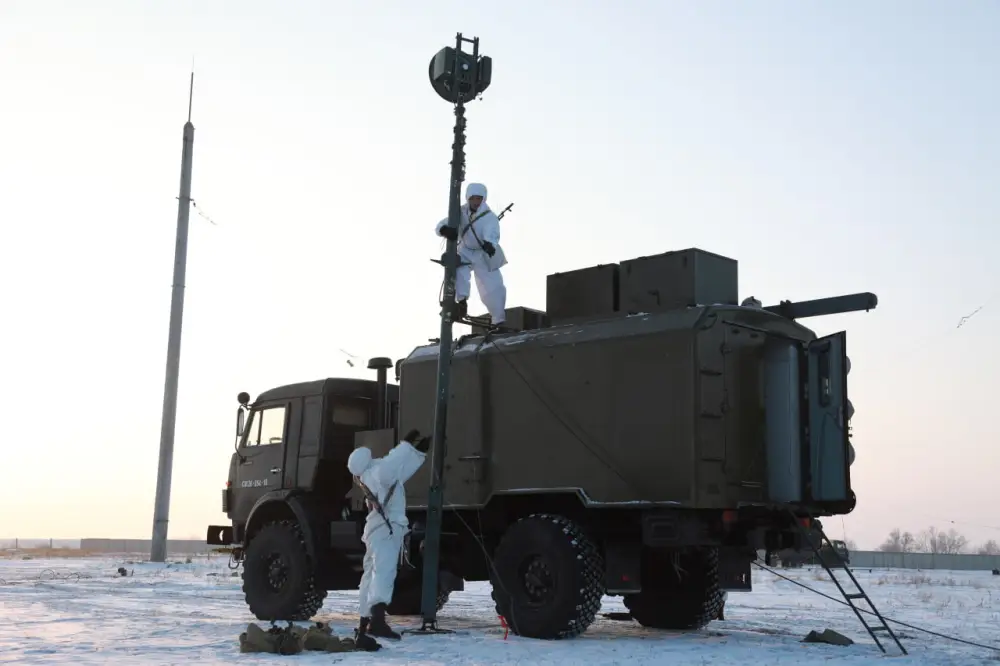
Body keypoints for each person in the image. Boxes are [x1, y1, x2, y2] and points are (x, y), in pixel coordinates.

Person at [347, 428, 431, 641]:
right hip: (385, 531)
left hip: (376, 531)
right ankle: (377, 623)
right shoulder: (377, 473)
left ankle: (365, 621)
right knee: (384, 574)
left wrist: (417, 454)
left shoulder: (367, 475)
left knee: (369, 576)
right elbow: (391, 465)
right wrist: (406, 446)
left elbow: (397, 473)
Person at [435, 182, 508, 326]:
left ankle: (498, 320)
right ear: (468, 198)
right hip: (465, 250)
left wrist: (490, 244)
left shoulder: (489, 216)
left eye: (479, 199)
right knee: (460, 271)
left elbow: (492, 232)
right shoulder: (460, 212)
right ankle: (462, 302)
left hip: (482, 254)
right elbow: (440, 226)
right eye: (473, 198)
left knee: (494, 286)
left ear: (484, 199)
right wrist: (444, 230)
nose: (476, 202)